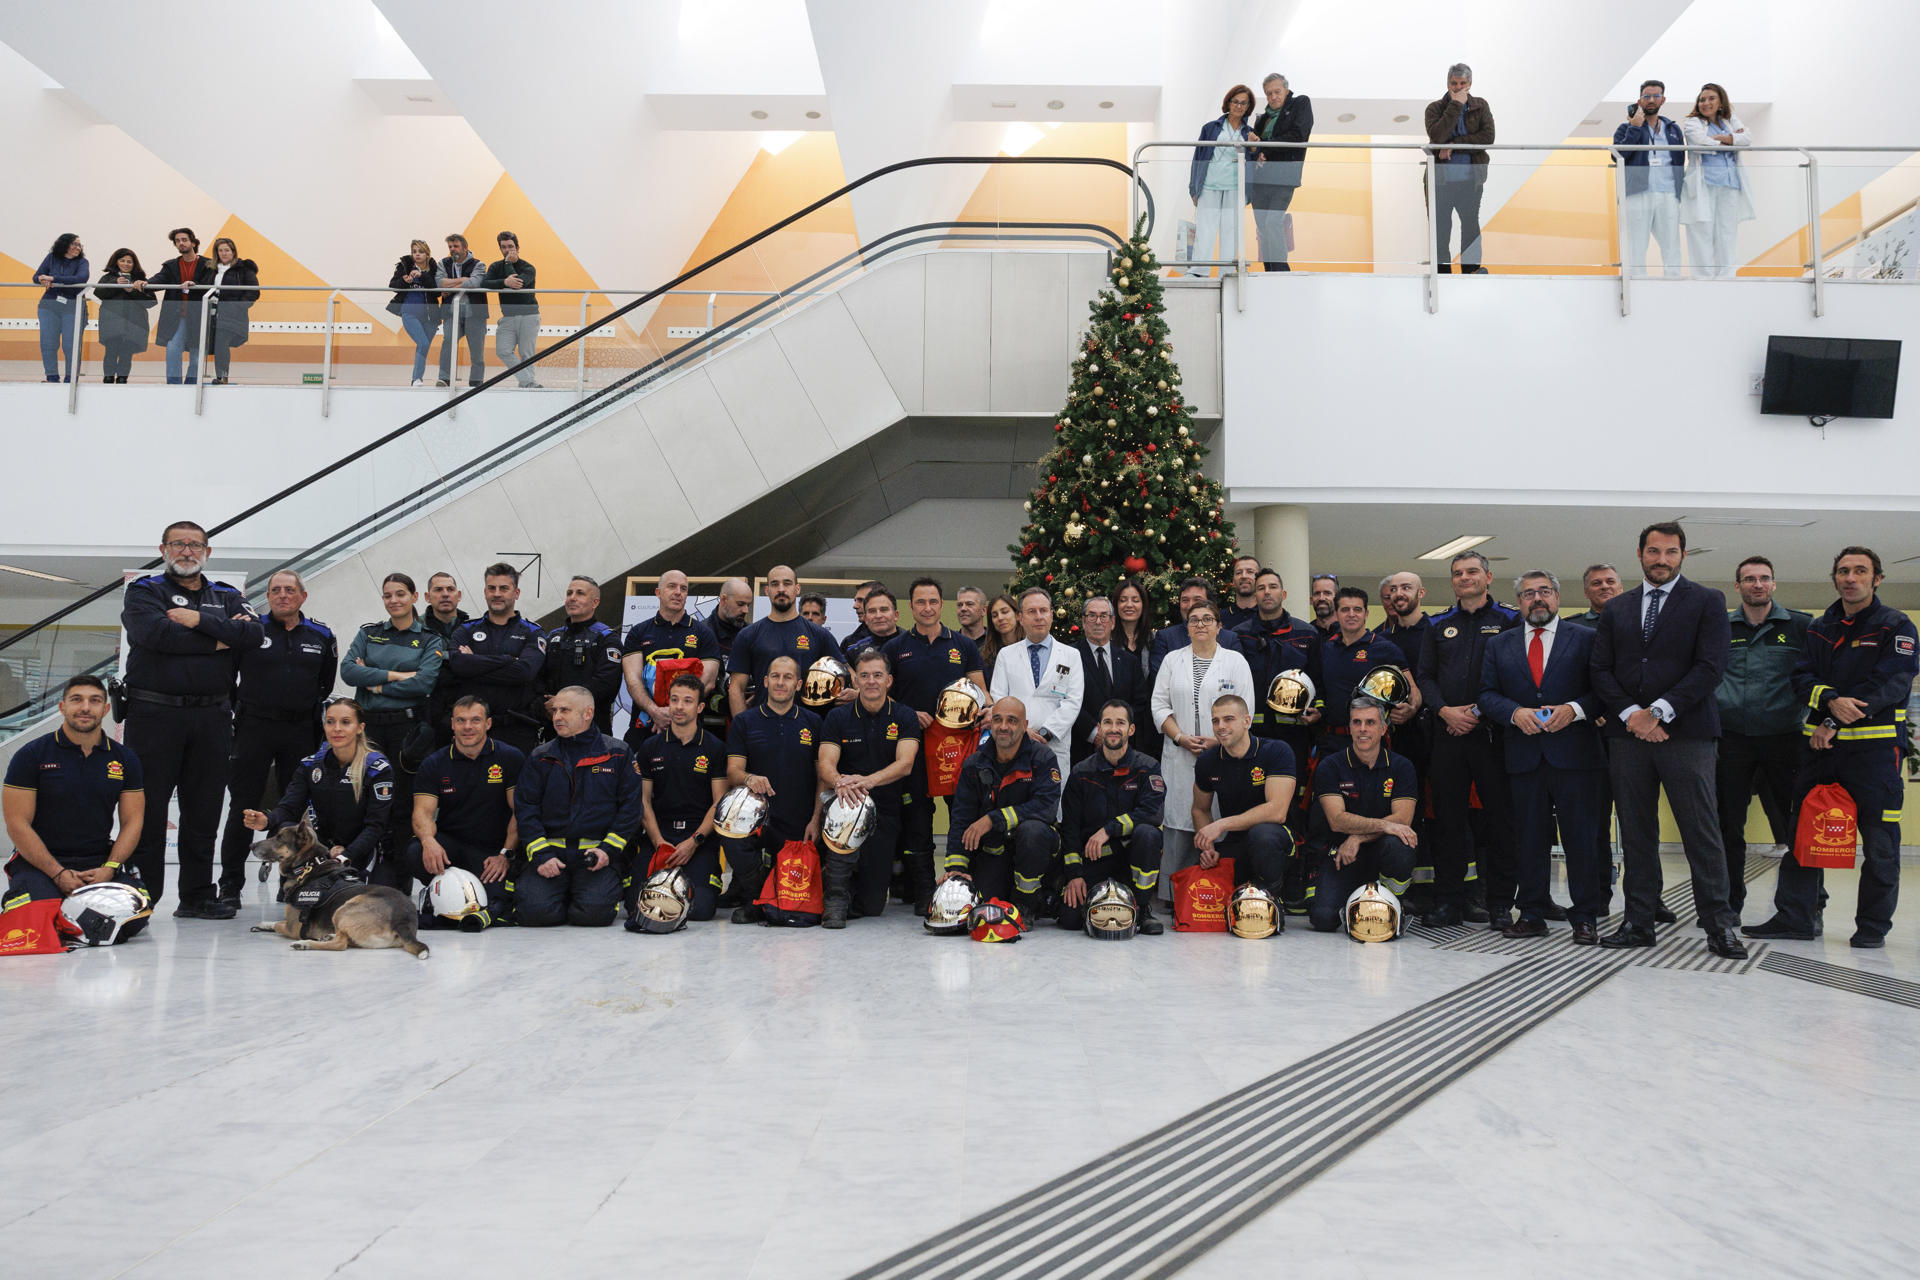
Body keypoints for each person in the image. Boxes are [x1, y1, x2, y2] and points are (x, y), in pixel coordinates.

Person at [1590, 522, 1745, 958]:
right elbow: (1601, 669)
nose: (1662, 560)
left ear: (1683, 555)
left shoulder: (1708, 601)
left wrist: (1657, 712)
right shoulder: (1617, 607)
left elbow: (1711, 667)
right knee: (1637, 833)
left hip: (1688, 735)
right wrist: (1631, 715)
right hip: (1628, 737)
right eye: (1654, 551)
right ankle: (1639, 921)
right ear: (1640, 553)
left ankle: (1719, 925)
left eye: (1671, 552)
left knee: (1701, 833)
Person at [1749, 548, 1917, 948]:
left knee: (1879, 846)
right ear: (1834, 577)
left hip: (1875, 757)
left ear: (1877, 579)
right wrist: (1827, 701)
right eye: (1843, 571)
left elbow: (1889, 684)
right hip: (1820, 755)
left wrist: (1829, 718)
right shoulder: (1820, 626)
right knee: (1804, 836)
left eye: (1861, 571)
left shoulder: (1897, 626)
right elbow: (1802, 676)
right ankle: (1797, 918)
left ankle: (1872, 927)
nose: (1851, 578)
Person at [120, 521, 262, 916]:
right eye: (178, 544)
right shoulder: (145, 591)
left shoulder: (227, 595)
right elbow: (155, 636)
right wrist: (221, 638)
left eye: (195, 545)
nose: (187, 551)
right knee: (149, 811)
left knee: (204, 810)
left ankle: (198, 896)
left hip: (213, 715)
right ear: (163, 549)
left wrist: (197, 622)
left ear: (207, 553)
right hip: (153, 714)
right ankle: (144, 899)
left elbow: (253, 636)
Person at [1478, 571, 1610, 942]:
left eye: (1544, 592)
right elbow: (1486, 694)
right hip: (1523, 756)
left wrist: (1575, 709)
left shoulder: (1586, 638)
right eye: (1528, 593)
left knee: (1580, 838)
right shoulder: (1499, 645)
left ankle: (1585, 916)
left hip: (1577, 756)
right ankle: (1532, 912)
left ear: (1557, 596)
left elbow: (1606, 690)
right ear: (1518, 601)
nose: (1537, 599)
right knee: (1529, 839)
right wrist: (1513, 713)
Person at [215, 570, 335, 911]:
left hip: (300, 730)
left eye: (290, 590)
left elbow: (325, 683)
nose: (283, 595)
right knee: (243, 808)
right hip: (254, 728)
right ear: (267, 596)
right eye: (275, 590)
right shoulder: (251, 632)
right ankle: (229, 886)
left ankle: (290, 882)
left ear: (303, 596)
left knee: (293, 811)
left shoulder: (322, 635)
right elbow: (228, 677)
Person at [1415, 551, 1521, 928]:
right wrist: (1445, 711)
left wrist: (1478, 712)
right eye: (1458, 573)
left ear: (1488, 577)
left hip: (1493, 736)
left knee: (1499, 822)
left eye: (1472, 571)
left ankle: (1499, 903)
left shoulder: (1510, 620)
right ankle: (1448, 901)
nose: (1465, 578)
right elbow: (1424, 677)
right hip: (1447, 735)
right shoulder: (1438, 623)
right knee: (1447, 821)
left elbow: (1516, 676)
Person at [882, 577, 986, 912]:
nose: (927, 608)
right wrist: (910, 712)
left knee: (961, 814)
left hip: (959, 749)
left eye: (933, 601)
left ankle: (962, 886)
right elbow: (882, 695)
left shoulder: (964, 646)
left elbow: (981, 693)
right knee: (917, 821)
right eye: (920, 602)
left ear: (943, 605)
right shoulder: (895, 648)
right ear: (910, 607)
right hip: (913, 746)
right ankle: (926, 892)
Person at [1714, 556, 1812, 912]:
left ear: (1774, 584)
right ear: (1737, 586)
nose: (1757, 584)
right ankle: (1727, 903)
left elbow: (1814, 677)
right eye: (1749, 579)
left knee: (1797, 824)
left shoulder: (1801, 625)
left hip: (1784, 738)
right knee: (1727, 825)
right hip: (1731, 740)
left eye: (1764, 578)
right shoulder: (1719, 627)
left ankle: (1806, 904)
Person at [2, 676, 145, 908]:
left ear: (106, 709)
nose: (86, 707)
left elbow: (133, 821)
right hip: (40, 861)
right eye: (76, 700)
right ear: (62, 707)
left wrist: (109, 868)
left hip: (98, 860)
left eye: (95, 700)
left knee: (132, 912)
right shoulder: (30, 755)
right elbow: (17, 824)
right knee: (39, 912)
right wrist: (57, 873)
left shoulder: (125, 759)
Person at [1151, 600, 1255, 900]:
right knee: (1180, 820)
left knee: (1221, 818)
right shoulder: (1173, 660)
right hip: (1180, 752)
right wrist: (1181, 737)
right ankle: (1175, 896)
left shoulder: (1235, 661)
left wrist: (1217, 740)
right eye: (1194, 619)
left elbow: (1246, 707)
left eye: (1207, 619)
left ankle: (1220, 892)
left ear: (1219, 626)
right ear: (1187, 627)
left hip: (1224, 752)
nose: (1200, 624)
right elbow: (1159, 705)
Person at [338, 572, 448, 846]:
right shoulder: (369, 633)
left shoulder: (429, 639)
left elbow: (423, 684)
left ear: (414, 597)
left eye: (400, 594)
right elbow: (349, 671)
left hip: (406, 730)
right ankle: (360, 866)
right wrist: (397, 676)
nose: (394, 600)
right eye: (388, 595)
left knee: (401, 801)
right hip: (369, 729)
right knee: (364, 797)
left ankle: (398, 873)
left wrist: (373, 682)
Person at [513, 687, 638, 927]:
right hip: (550, 856)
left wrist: (607, 851)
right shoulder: (540, 756)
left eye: (565, 710)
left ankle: (583, 892)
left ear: (588, 713)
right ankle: (561, 892)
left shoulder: (618, 753)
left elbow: (630, 809)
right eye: (555, 710)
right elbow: (526, 808)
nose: (557, 716)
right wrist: (541, 855)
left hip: (597, 856)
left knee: (593, 915)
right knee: (535, 914)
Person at [818, 649, 921, 927]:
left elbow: (905, 764)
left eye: (877, 675)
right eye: (864, 675)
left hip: (884, 809)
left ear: (888, 680)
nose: (871, 681)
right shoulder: (838, 718)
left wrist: (866, 781)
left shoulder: (904, 716)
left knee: (873, 906)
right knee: (847, 811)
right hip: (844, 802)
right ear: (855, 680)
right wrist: (841, 782)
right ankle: (836, 900)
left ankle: (854, 893)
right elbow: (826, 764)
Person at [241, 698, 394, 877]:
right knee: (282, 827)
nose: (336, 728)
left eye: (345, 722)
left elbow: (375, 826)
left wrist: (345, 855)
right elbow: (289, 808)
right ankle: (294, 878)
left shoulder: (377, 768)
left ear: (360, 728)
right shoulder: (310, 765)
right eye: (330, 722)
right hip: (320, 848)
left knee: (374, 894)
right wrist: (266, 821)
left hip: (361, 850)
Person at [405, 695, 522, 926]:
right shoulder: (435, 762)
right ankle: (442, 890)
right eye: (461, 720)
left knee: (494, 898)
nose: (467, 727)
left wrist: (505, 854)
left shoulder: (510, 757)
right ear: (452, 724)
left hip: (492, 851)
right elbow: (422, 813)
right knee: (415, 851)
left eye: (475, 720)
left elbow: (520, 812)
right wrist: (429, 842)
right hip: (452, 847)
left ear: (488, 723)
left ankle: (455, 891)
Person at [724, 656, 824, 923]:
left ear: (799, 684)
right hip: (755, 818)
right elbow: (733, 771)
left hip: (798, 820)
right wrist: (749, 778)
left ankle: (774, 899)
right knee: (731, 836)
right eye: (776, 677)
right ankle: (754, 899)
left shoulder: (813, 723)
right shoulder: (745, 721)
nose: (781, 682)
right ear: (765, 682)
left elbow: (823, 776)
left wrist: (816, 818)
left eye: (788, 677)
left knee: (793, 902)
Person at [944, 696, 1061, 921]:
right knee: (983, 907)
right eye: (997, 720)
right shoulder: (974, 763)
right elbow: (961, 817)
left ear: (1025, 726)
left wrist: (992, 819)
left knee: (1033, 831)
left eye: (1012, 720)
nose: (1003, 726)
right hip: (994, 850)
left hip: (1033, 848)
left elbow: (1045, 807)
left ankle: (1026, 905)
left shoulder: (1043, 757)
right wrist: (956, 867)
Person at [1307, 700, 1419, 932]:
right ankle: (1356, 900)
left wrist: (1357, 837)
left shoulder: (1401, 766)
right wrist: (1384, 825)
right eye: (1357, 722)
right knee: (1323, 919)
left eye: (1370, 722)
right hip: (1344, 854)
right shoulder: (1331, 765)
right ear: (1349, 727)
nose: (1363, 729)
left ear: (1383, 728)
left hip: (1378, 850)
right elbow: (1337, 820)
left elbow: (1403, 820)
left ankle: (1394, 901)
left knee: (1400, 843)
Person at [1059, 699, 1166, 934]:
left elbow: (1152, 813)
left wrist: (1108, 830)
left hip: (1131, 859)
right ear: (1099, 728)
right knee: (1070, 920)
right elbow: (1070, 827)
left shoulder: (1147, 767)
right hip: (1094, 860)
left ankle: (1143, 906)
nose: (1114, 728)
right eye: (1107, 722)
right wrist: (1074, 875)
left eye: (1120, 723)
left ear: (1131, 729)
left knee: (1148, 833)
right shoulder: (1081, 772)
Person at [633, 674, 727, 926]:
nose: (679, 706)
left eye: (687, 701)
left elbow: (719, 802)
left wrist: (694, 842)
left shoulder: (715, 748)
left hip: (698, 837)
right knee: (636, 904)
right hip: (660, 835)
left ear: (699, 707)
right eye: (674, 700)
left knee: (701, 909)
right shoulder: (650, 748)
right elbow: (643, 801)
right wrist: (658, 842)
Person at [1191, 694, 1297, 898]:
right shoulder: (1207, 761)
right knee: (1205, 881)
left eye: (1228, 719)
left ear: (1247, 721)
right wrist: (1208, 848)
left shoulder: (1276, 751)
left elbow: (1277, 811)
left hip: (1277, 838)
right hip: (1237, 840)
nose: (1220, 726)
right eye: (1215, 721)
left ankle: (1273, 898)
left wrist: (1221, 825)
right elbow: (1200, 809)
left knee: (1262, 836)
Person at [990, 587, 1084, 804]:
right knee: (1015, 804)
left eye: (1043, 610)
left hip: (1054, 745)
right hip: (1015, 742)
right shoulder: (1007, 655)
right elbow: (999, 698)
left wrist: (1044, 733)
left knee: (1053, 805)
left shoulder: (1071, 655)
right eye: (1032, 611)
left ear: (1052, 615)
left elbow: (1073, 701)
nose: (1039, 616)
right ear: (1021, 618)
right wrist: (1023, 732)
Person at [442, 562, 546, 754]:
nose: (497, 593)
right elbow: (458, 665)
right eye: (492, 588)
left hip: (516, 729)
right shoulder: (466, 630)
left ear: (516, 593)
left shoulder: (533, 632)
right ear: (485, 591)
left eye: (504, 588)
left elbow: (524, 672)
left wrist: (475, 663)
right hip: (471, 730)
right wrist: (508, 660)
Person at [727, 565, 846, 715]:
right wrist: (743, 727)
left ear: (797, 589)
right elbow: (736, 688)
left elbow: (845, 677)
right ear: (767, 590)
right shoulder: (748, 635)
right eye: (775, 584)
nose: (781, 589)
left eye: (787, 583)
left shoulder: (820, 635)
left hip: (807, 730)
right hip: (762, 727)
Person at [624, 569, 722, 742]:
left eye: (683, 589)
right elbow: (632, 680)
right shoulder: (638, 632)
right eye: (672, 586)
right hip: (644, 727)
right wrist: (655, 712)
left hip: (688, 731)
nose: (678, 592)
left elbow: (707, 682)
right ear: (658, 592)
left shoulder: (704, 634)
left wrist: (674, 712)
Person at [1681, 83, 1755, 279]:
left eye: (1711, 98)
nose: (1706, 103)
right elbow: (1698, 143)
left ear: (1721, 101)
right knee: (1702, 232)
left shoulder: (1730, 120)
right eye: (1702, 99)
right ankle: (1703, 278)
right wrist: (1729, 141)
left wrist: (1722, 138)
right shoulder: (1692, 122)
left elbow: (1747, 138)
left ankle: (1727, 277)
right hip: (1704, 185)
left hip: (1730, 184)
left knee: (1727, 233)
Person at [1425, 64, 1495, 274]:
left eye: (1462, 83)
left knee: (1471, 228)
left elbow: (1487, 137)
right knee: (1441, 230)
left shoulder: (1480, 106)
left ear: (1470, 84)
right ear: (1448, 83)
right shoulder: (1434, 109)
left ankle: (1471, 271)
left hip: (1471, 181)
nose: (1458, 87)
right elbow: (1437, 136)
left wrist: (1453, 144)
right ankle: (1443, 275)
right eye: (1454, 83)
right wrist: (1455, 106)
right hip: (1441, 182)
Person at [1614, 80, 1686, 279]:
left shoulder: (1673, 129)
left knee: (1671, 245)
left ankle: (1673, 282)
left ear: (1663, 99)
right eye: (1646, 96)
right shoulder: (1625, 128)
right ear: (1639, 100)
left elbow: (1680, 160)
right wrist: (1635, 127)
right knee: (1636, 245)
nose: (1651, 100)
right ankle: (1636, 284)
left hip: (1668, 194)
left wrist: (1679, 192)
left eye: (1656, 96)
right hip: (1638, 194)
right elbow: (1617, 155)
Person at [1314, 587, 1408, 736]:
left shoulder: (1386, 649)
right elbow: (1319, 690)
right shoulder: (1326, 649)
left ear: (1366, 614)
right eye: (1345, 610)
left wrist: (1410, 709)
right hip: (1331, 739)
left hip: (1372, 739)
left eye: (1357, 609)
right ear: (1337, 614)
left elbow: (1412, 691)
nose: (1351, 615)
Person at [1186, 85, 1256, 276]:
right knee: (1205, 228)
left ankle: (1226, 272)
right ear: (1228, 103)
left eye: (1244, 103)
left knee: (1230, 231)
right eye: (1235, 102)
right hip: (1209, 185)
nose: (1239, 106)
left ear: (1248, 107)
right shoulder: (1211, 128)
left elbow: (1255, 162)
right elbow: (1198, 158)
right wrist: (1194, 188)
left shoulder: (1249, 132)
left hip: (1235, 187)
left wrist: (1253, 147)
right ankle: (1199, 270)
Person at [540, 575, 622, 736]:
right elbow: (538, 677)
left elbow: (606, 684)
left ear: (595, 602)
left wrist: (564, 702)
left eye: (580, 593)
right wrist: (544, 704)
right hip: (554, 728)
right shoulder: (554, 637)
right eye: (569, 593)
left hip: (593, 728)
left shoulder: (606, 637)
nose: (572, 598)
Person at [1073, 596, 1148, 765]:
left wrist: (1119, 730)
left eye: (1104, 616)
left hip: (1123, 748)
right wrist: (1095, 733)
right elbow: (1066, 699)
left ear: (1113, 622)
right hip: (1082, 749)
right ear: (1084, 622)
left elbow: (1140, 701)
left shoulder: (1129, 661)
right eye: (1092, 616)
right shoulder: (1070, 656)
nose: (1098, 622)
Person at [1249, 74, 1313, 272]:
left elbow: (1298, 135)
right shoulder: (1263, 119)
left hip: (1284, 177)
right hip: (1260, 181)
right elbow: (1254, 146)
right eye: (1269, 94)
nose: (1273, 97)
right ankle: (1270, 270)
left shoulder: (1300, 104)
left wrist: (1264, 149)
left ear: (1286, 90)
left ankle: (1280, 271)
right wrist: (1257, 151)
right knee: (1263, 227)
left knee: (1273, 222)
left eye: (1277, 92)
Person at [1147, 577, 1244, 683]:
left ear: (1210, 604)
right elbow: (1159, 681)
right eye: (1185, 600)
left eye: (1197, 600)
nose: (1190, 605)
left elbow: (1238, 680)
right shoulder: (1165, 637)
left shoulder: (1230, 639)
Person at [151, 227, 213, 384]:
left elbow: (210, 284)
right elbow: (159, 279)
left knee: (197, 356)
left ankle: (191, 386)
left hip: (199, 316)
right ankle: (174, 386)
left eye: (184, 240)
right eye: (177, 241)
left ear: (193, 242)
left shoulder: (208, 264)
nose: (181, 243)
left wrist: (196, 284)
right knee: (172, 349)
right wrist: (145, 282)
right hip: (177, 317)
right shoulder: (171, 266)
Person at [484, 231, 541, 388]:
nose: (507, 250)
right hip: (508, 317)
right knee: (503, 350)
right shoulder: (495, 266)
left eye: (510, 246)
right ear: (500, 248)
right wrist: (504, 281)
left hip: (529, 316)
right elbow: (485, 283)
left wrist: (509, 265)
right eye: (503, 247)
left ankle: (527, 384)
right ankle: (528, 381)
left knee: (526, 353)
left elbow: (517, 284)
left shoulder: (528, 267)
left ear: (517, 247)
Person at [703, 576, 754, 742]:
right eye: (740, 604)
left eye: (748, 605)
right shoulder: (701, 633)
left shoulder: (753, 634)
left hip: (746, 721)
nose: (746, 610)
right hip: (706, 727)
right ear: (724, 600)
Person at [32, 232, 88, 383]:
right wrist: (41, 279)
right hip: (49, 305)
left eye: (79, 245)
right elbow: (36, 276)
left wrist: (53, 278)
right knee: (48, 343)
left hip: (73, 306)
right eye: (74, 244)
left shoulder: (83, 262)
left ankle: (70, 379)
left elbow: (80, 278)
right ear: (64, 244)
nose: (78, 247)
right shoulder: (51, 258)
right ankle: (51, 377)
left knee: (71, 345)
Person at [388, 239, 443, 387]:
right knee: (423, 342)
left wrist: (421, 276)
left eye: (421, 252)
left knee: (423, 347)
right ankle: (416, 379)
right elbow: (393, 285)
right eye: (414, 251)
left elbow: (437, 291)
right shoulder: (404, 266)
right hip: (409, 312)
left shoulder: (434, 268)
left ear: (427, 254)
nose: (417, 254)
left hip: (431, 316)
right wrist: (405, 282)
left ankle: (416, 379)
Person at [95, 249, 154, 383]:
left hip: (134, 324)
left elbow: (151, 301)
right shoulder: (108, 278)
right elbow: (99, 293)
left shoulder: (141, 280)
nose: (126, 264)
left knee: (127, 354)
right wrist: (116, 284)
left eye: (129, 261)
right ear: (116, 262)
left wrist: (132, 290)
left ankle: (123, 378)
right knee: (111, 351)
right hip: (112, 323)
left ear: (134, 264)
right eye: (122, 260)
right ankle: (108, 377)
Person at [205, 237, 258, 385]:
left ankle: (222, 376)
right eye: (220, 250)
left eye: (227, 250)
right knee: (214, 343)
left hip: (232, 315)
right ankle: (213, 376)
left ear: (233, 252)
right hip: (212, 314)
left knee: (220, 341)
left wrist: (237, 306)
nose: (223, 253)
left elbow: (253, 292)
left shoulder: (244, 269)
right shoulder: (211, 268)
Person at [438, 232, 487, 386]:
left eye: (456, 246)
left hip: (475, 314)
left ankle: (476, 382)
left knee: (476, 350)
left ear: (465, 248)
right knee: (448, 344)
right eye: (450, 246)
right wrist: (463, 280)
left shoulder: (479, 265)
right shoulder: (443, 263)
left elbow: (474, 283)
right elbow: (439, 282)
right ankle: (444, 379)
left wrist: (450, 285)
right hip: (452, 313)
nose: (452, 249)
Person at [845, 586, 902, 659]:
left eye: (884, 610)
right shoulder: (854, 651)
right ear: (865, 619)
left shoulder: (912, 644)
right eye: (872, 611)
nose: (878, 615)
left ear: (896, 615)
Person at [979, 592, 1023, 677]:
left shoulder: (1030, 648)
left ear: (1017, 615)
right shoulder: (984, 655)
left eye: (1005, 612)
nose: (1000, 618)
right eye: (995, 615)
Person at [422, 571, 469, 644]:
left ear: (459, 596)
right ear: (427, 597)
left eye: (450, 589)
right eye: (438, 590)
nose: (445, 594)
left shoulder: (473, 627)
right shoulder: (416, 628)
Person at [841, 581, 884, 653]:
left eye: (861, 600)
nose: (855, 606)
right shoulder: (849, 643)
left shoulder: (902, 639)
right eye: (855, 600)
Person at [1223, 555, 1263, 629]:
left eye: (1250, 572)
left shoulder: (1268, 616)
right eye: (1238, 573)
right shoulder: (1220, 618)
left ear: (1260, 579)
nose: (1244, 576)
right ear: (1233, 581)